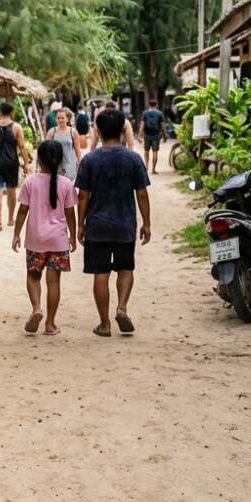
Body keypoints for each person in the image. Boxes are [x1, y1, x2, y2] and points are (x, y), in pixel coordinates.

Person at [76, 109, 152, 338]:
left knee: (100, 273)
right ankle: (122, 307)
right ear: (122, 130)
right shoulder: (133, 158)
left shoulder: (90, 160)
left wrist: (80, 224)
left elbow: (83, 196)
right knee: (125, 268)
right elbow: (141, 194)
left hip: (97, 225)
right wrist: (146, 223)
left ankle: (105, 324)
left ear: (97, 131)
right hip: (125, 224)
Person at [12, 141, 78, 336]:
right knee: (54, 282)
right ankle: (50, 324)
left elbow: (23, 211)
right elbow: (70, 214)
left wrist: (16, 234)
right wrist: (72, 236)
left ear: (39, 159)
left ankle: (36, 308)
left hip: (35, 240)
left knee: (33, 276)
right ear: (60, 160)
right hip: (58, 240)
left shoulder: (30, 182)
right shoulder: (66, 184)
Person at [0, 102, 32, 230]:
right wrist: (26, 162)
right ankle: (10, 219)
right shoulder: (16, 127)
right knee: (11, 191)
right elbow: (21, 146)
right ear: (11, 112)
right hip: (12, 163)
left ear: (0, 112)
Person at [45, 108, 81, 179]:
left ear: (67, 119)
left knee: (68, 186)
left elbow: (78, 150)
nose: (60, 120)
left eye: (62, 118)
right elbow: (46, 149)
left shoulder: (73, 132)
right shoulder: (51, 132)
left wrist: (80, 163)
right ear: (55, 119)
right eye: (58, 118)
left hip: (70, 165)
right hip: (55, 165)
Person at [139, 99, 167, 175]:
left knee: (146, 151)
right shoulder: (160, 113)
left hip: (147, 135)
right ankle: (153, 169)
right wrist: (165, 136)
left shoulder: (145, 113)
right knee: (155, 152)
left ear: (149, 105)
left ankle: (146, 166)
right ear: (156, 105)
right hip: (156, 135)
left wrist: (139, 135)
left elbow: (142, 124)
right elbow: (162, 126)